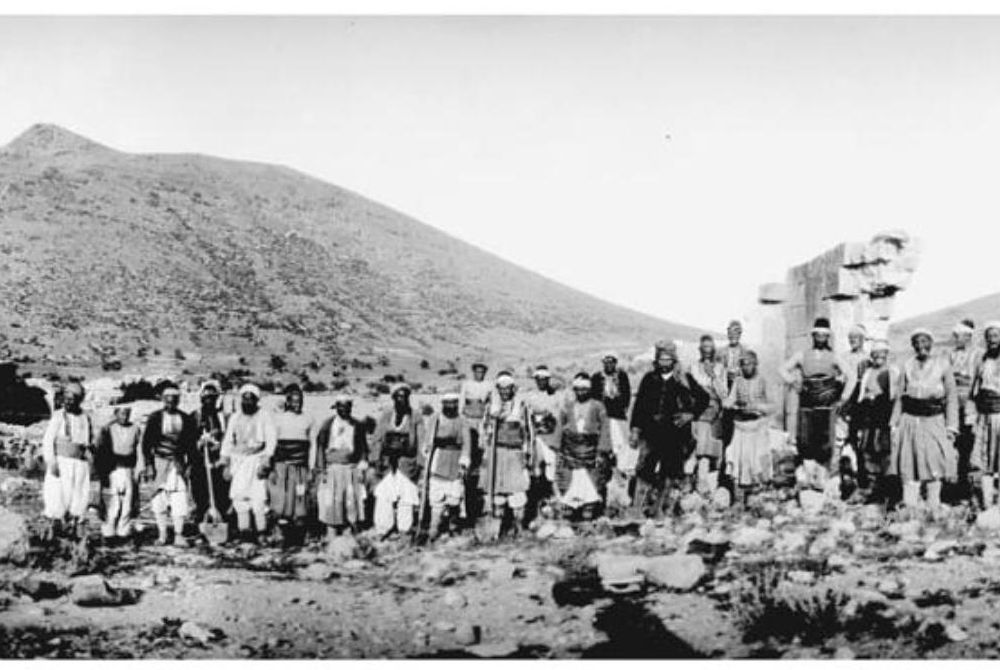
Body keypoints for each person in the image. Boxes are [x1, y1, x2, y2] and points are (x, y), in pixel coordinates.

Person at [629, 341, 709, 516]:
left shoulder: (684, 379)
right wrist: (635, 429)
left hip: (674, 434)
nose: (664, 364)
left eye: (668, 360)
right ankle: (637, 509)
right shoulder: (649, 379)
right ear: (656, 361)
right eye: (661, 360)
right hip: (650, 432)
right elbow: (639, 406)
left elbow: (704, 398)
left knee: (669, 471)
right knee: (644, 470)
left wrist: (691, 414)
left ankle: (660, 510)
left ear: (674, 360)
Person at [889, 328, 958, 510]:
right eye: (917, 343)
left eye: (925, 342)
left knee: (934, 461)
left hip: (934, 420)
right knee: (908, 460)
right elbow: (899, 397)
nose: (921, 346)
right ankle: (911, 506)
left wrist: (951, 427)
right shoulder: (907, 365)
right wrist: (894, 423)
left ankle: (933, 505)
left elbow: (951, 397)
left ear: (931, 343)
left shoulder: (943, 365)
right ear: (913, 346)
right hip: (909, 420)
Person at [780, 317, 850, 474]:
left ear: (828, 337)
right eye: (817, 335)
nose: (820, 338)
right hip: (807, 405)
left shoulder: (834, 356)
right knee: (806, 440)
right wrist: (794, 382)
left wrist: (843, 398)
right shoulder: (802, 355)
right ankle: (808, 478)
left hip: (826, 405)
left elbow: (850, 376)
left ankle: (824, 479)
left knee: (825, 441)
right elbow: (783, 369)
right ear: (813, 336)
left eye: (824, 336)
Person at [142, 383, 199, 547]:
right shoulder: (155, 418)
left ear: (178, 401)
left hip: (178, 463)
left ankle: (179, 535)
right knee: (159, 499)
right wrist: (149, 465)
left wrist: (189, 465)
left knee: (179, 499)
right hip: (159, 462)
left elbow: (191, 445)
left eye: (174, 401)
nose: (170, 404)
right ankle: (162, 535)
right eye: (167, 401)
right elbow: (147, 444)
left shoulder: (186, 419)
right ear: (162, 400)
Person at [220, 384, 277, 544]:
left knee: (258, 499)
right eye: (244, 399)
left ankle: (261, 533)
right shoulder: (235, 417)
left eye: (250, 400)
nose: (247, 403)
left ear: (256, 401)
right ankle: (244, 532)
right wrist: (226, 464)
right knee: (239, 498)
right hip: (238, 462)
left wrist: (266, 460)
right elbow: (228, 442)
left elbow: (271, 439)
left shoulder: (264, 416)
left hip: (257, 460)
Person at [845, 340, 898, 503]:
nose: (878, 357)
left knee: (885, 452)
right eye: (875, 354)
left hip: (884, 416)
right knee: (868, 451)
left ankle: (888, 490)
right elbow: (861, 395)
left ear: (887, 355)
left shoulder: (892, 371)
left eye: (882, 354)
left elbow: (895, 397)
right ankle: (872, 487)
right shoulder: (868, 372)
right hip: (869, 416)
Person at [480, 372, 532, 539]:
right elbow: (484, 429)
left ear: (512, 389)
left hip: (515, 453)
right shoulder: (491, 407)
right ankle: (499, 527)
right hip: (496, 452)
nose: (504, 392)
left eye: (507, 388)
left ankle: (518, 527)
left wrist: (527, 452)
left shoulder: (521, 406)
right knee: (498, 491)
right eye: (501, 389)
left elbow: (528, 431)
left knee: (517, 491)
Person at [41, 382, 95, 537]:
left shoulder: (85, 417)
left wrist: (90, 460)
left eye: (72, 399)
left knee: (78, 497)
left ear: (79, 400)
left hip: (79, 464)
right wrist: (51, 462)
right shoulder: (58, 416)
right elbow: (48, 441)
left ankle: (74, 534)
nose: (68, 402)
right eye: (67, 399)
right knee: (57, 496)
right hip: (61, 463)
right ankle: (53, 534)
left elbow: (87, 442)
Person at [555, 375, 612, 520]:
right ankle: (572, 517)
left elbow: (605, 429)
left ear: (589, 389)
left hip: (590, 451)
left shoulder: (598, 406)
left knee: (590, 485)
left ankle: (589, 515)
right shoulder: (568, 406)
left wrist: (602, 450)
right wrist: (558, 448)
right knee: (570, 485)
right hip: (571, 451)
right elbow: (560, 427)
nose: (581, 393)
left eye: (584, 389)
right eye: (578, 389)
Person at [371, 383, 422, 538]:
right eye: (398, 397)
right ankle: (382, 529)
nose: (402, 400)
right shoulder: (386, 415)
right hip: (387, 463)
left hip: (407, 463)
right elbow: (377, 438)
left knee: (406, 497)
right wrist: (375, 460)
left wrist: (421, 463)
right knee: (384, 495)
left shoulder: (415, 416)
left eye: (405, 397)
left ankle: (404, 530)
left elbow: (421, 440)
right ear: (393, 398)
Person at [268, 384, 316, 546]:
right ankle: (281, 535)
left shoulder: (308, 419)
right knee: (281, 501)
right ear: (287, 401)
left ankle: (299, 537)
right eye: (294, 401)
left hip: (301, 467)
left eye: (300, 401)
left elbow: (312, 445)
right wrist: (271, 465)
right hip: (282, 467)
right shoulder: (278, 419)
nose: (297, 404)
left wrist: (311, 467)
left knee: (300, 500)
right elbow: (272, 444)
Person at [723, 351, 773, 503]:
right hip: (741, 426)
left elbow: (772, 405)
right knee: (741, 460)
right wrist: (729, 404)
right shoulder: (738, 381)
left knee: (756, 462)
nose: (746, 368)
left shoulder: (763, 380)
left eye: (749, 364)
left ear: (755, 364)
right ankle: (739, 499)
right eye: (743, 364)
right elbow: (729, 400)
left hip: (757, 427)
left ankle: (756, 498)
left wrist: (757, 407)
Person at [315, 395, 369, 536]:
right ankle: (331, 533)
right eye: (341, 406)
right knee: (331, 501)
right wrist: (321, 470)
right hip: (332, 469)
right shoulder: (328, 425)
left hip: (351, 468)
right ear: (336, 408)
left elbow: (363, 447)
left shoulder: (357, 425)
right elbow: (320, 447)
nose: (344, 410)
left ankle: (347, 533)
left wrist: (362, 466)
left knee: (349, 501)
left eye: (347, 407)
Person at [421, 392, 472, 539]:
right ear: (443, 404)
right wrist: (427, 448)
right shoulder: (435, 418)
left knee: (455, 497)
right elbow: (428, 439)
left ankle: (453, 528)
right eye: (447, 403)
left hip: (456, 460)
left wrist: (465, 458)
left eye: (454, 403)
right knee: (437, 498)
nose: (451, 406)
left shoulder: (462, 420)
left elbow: (467, 442)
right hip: (439, 459)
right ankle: (434, 529)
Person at [687, 335, 729, 493]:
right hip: (697, 409)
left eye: (709, 347)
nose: (707, 351)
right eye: (704, 347)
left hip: (713, 409)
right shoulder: (692, 367)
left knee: (711, 448)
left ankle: (707, 484)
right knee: (698, 445)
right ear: (700, 349)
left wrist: (713, 376)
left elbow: (723, 393)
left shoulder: (719, 368)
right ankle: (697, 482)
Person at [95, 406, 142, 541]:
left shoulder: (135, 429)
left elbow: (139, 449)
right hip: (113, 469)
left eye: (127, 414)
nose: (124, 417)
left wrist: (139, 468)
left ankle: (123, 531)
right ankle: (109, 531)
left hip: (129, 469)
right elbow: (101, 450)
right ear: (116, 414)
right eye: (121, 414)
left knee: (128, 501)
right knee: (113, 501)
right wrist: (103, 470)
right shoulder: (107, 429)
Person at [950, 319, 983, 501]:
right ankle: (961, 484)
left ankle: (972, 486)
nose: (956, 339)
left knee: (971, 443)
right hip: (955, 404)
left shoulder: (978, 354)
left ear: (968, 336)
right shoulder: (952, 355)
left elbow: (979, 378)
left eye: (959, 336)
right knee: (959, 444)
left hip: (972, 403)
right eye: (955, 336)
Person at [190, 381, 229, 526]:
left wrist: (219, 445)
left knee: (221, 493)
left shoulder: (223, 418)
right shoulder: (195, 416)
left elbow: (229, 437)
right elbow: (188, 440)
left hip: (218, 461)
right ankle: (201, 522)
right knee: (200, 493)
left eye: (213, 398)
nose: (209, 401)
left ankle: (221, 521)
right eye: (206, 398)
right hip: (200, 462)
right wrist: (199, 444)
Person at [524, 365, 563, 509]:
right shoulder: (529, 396)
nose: (541, 382)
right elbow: (526, 415)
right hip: (535, 436)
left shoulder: (555, 396)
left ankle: (553, 498)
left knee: (551, 466)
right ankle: (536, 499)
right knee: (536, 468)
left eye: (544, 379)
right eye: (538, 379)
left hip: (550, 436)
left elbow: (558, 417)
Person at [971, 322, 1000, 509]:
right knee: (985, 460)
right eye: (988, 336)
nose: (991, 340)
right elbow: (975, 390)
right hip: (985, 414)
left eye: (996, 336)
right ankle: (988, 505)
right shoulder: (982, 360)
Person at [591, 353, 634, 479]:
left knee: (621, 443)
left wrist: (623, 408)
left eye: (612, 362)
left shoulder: (622, 375)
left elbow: (627, 394)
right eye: (606, 362)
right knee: (604, 444)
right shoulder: (597, 377)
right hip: (603, 416)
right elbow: (594, 396)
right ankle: (604, 469)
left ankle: (622, 470)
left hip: (618, 415)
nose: (609, 364)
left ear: (615, 363)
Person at [460, 361, 492, 520]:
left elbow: (490, 403)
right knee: (468, 452)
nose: (479, 374)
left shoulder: (488, 385)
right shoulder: (467, 384)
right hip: (468, 420)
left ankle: (482, 488)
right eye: (477, 371)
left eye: (482, 371)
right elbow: (461, 403)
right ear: (473, 372)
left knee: (483, 453)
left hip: (482, 421)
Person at [719, 320, 748, 391]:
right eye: (730, 333)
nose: (732, 336)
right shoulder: (723, 351)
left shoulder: (744, 351)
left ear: (739, 334)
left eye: (735, 333)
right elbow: (720, 369)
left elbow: (746, 369)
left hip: (740, 383)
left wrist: (740, 372)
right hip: (726, 382)